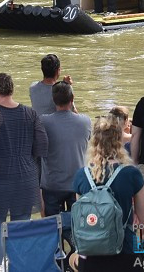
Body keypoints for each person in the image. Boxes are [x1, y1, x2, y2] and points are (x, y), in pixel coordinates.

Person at [0, 72, 48, 268]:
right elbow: (42, 146)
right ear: (11, 90)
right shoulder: (30, 113)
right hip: (25, 179)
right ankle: (18, 266)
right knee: (19, 227)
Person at [72, 116, 144, 272]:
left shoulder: (82, 175)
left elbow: (80, 216)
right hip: (124, 251)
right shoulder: (131, 174)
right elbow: (143, 220)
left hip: (90, 253)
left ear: (94, 142)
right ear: (119, 141)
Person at [40, 82, 91, 219]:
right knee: (79, 226)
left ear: (53, 100)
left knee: (52, 228)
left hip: (52, 184)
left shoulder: (43, 122)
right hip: (78, 184)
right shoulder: (85, 121)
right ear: (72, 99)